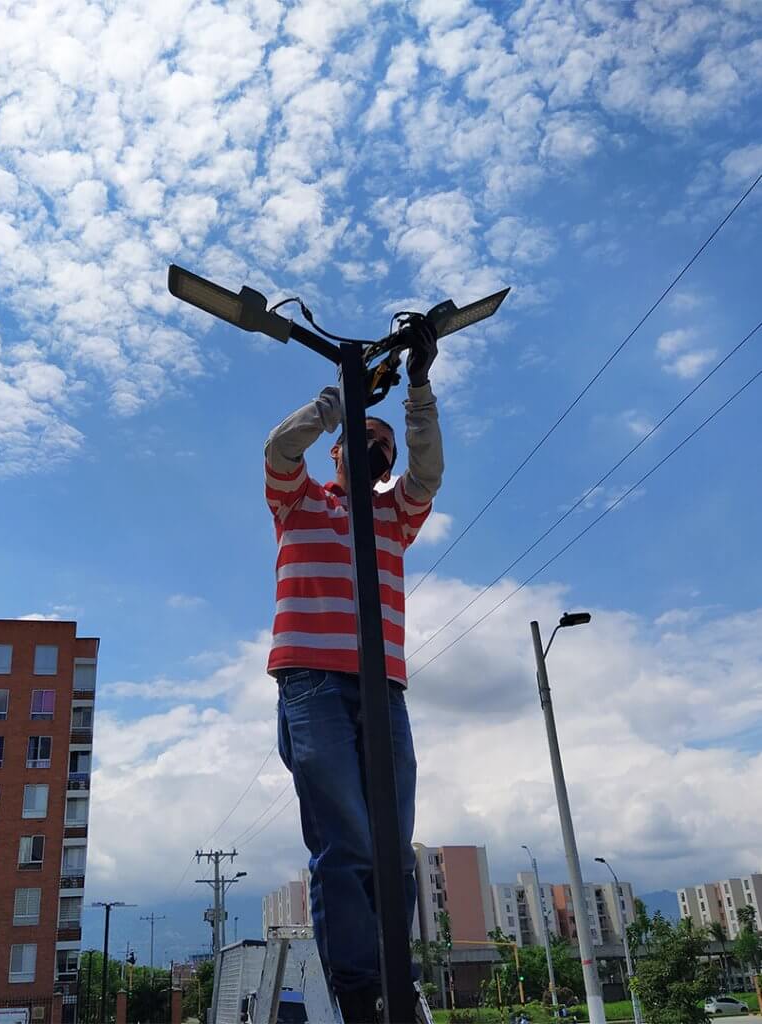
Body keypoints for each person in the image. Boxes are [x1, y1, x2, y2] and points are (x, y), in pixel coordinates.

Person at [264, 320, 443, 1024]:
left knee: (393, 851)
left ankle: (395, 982)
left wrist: (419, 389)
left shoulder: (394, 517)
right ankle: (361, 992)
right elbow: (279, 450)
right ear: (338, 455)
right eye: (365, 442)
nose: (377, 449)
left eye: (386, 448)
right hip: (310, 681)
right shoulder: (299, 502)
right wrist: (331, 405)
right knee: (346, 844)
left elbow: (426, 472)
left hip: (384, 687)